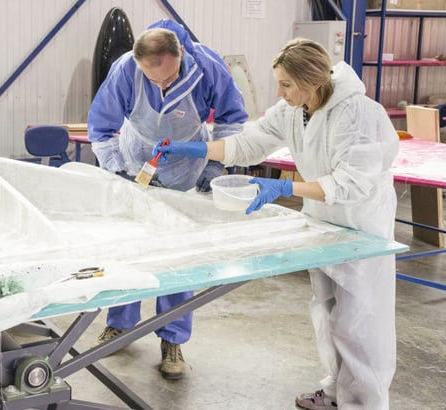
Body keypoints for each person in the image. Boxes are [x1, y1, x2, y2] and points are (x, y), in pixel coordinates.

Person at [155, 38, 398, 409]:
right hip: (323, 220)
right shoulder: (294, 109)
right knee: (327, 312)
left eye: (286, 84)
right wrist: (197, 149)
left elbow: (351, 184)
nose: (279, 92)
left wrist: (285, 187)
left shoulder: (360, 114)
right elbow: (249, 143)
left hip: (361, 224)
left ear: (312, 81)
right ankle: (336, 392)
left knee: (360, 322)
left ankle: (364, 403)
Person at [87, 19, 248, 380]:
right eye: (153, 79)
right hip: (136, 160)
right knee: (129, 248)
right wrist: (116, 169)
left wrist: (217, 162)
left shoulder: (208, 66)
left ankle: (172, 338)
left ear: (182, 55)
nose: (161, 85)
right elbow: (101, 127)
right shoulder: (125, 70)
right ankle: (119, 324)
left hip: (188, 164)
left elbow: (233, 119)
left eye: (169, 77)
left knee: (178, 256)